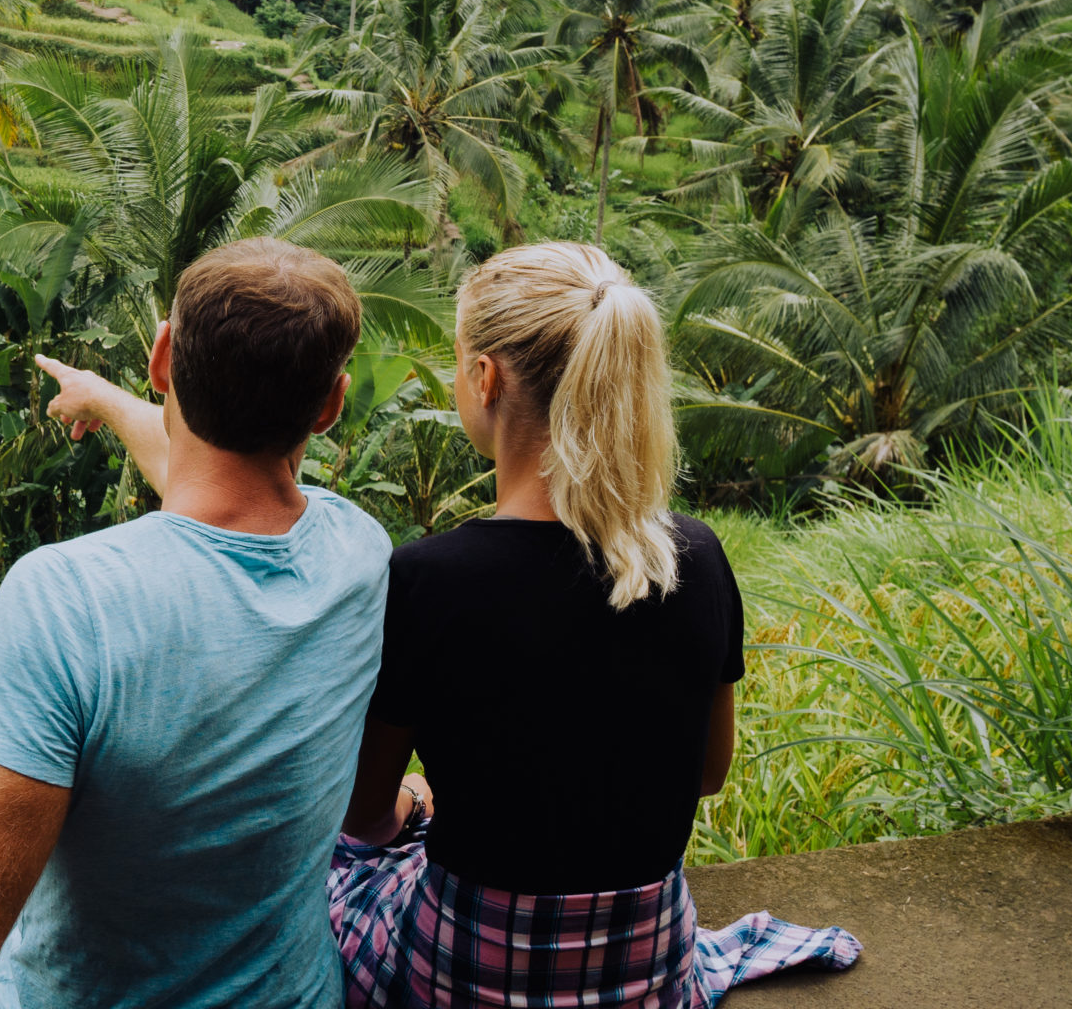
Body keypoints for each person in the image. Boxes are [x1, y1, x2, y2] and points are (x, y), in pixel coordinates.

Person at [0, 237, 396, 1009]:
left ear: (162, 359)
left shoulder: (67, 599)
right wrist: (106, 400)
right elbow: (223, 485)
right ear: (331, 403)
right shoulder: (359, 554)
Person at [330, 241, 858, 1008]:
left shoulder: (425, 579)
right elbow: (707, 774)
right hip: (646, 966)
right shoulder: (696, 558)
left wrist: (412, 802)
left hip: (474, 969)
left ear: (485, 378)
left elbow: (363, 813)